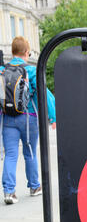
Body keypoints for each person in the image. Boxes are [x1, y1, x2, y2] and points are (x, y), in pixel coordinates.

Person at [0, 36, 56, 205]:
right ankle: (34, 187)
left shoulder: (2, 70)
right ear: (26, 52)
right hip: (28, 118)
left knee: (10, 154)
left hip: (8, 118)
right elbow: (45, 95)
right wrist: (52, 116)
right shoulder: (31, 70)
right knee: (29, 153)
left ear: (13, 52)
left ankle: (9, 192)